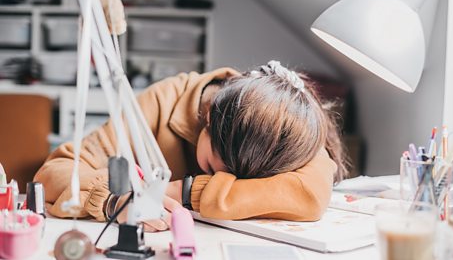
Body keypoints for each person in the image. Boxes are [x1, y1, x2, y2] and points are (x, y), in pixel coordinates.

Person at [34, 61, 349, 231]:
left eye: (242, 179)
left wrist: (181, 192)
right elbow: (55, 171)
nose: (226, 178)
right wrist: (113, 199)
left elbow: (311, 195)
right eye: (214, 167)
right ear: (209, 115)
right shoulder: (163, 102)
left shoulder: (284, 128)